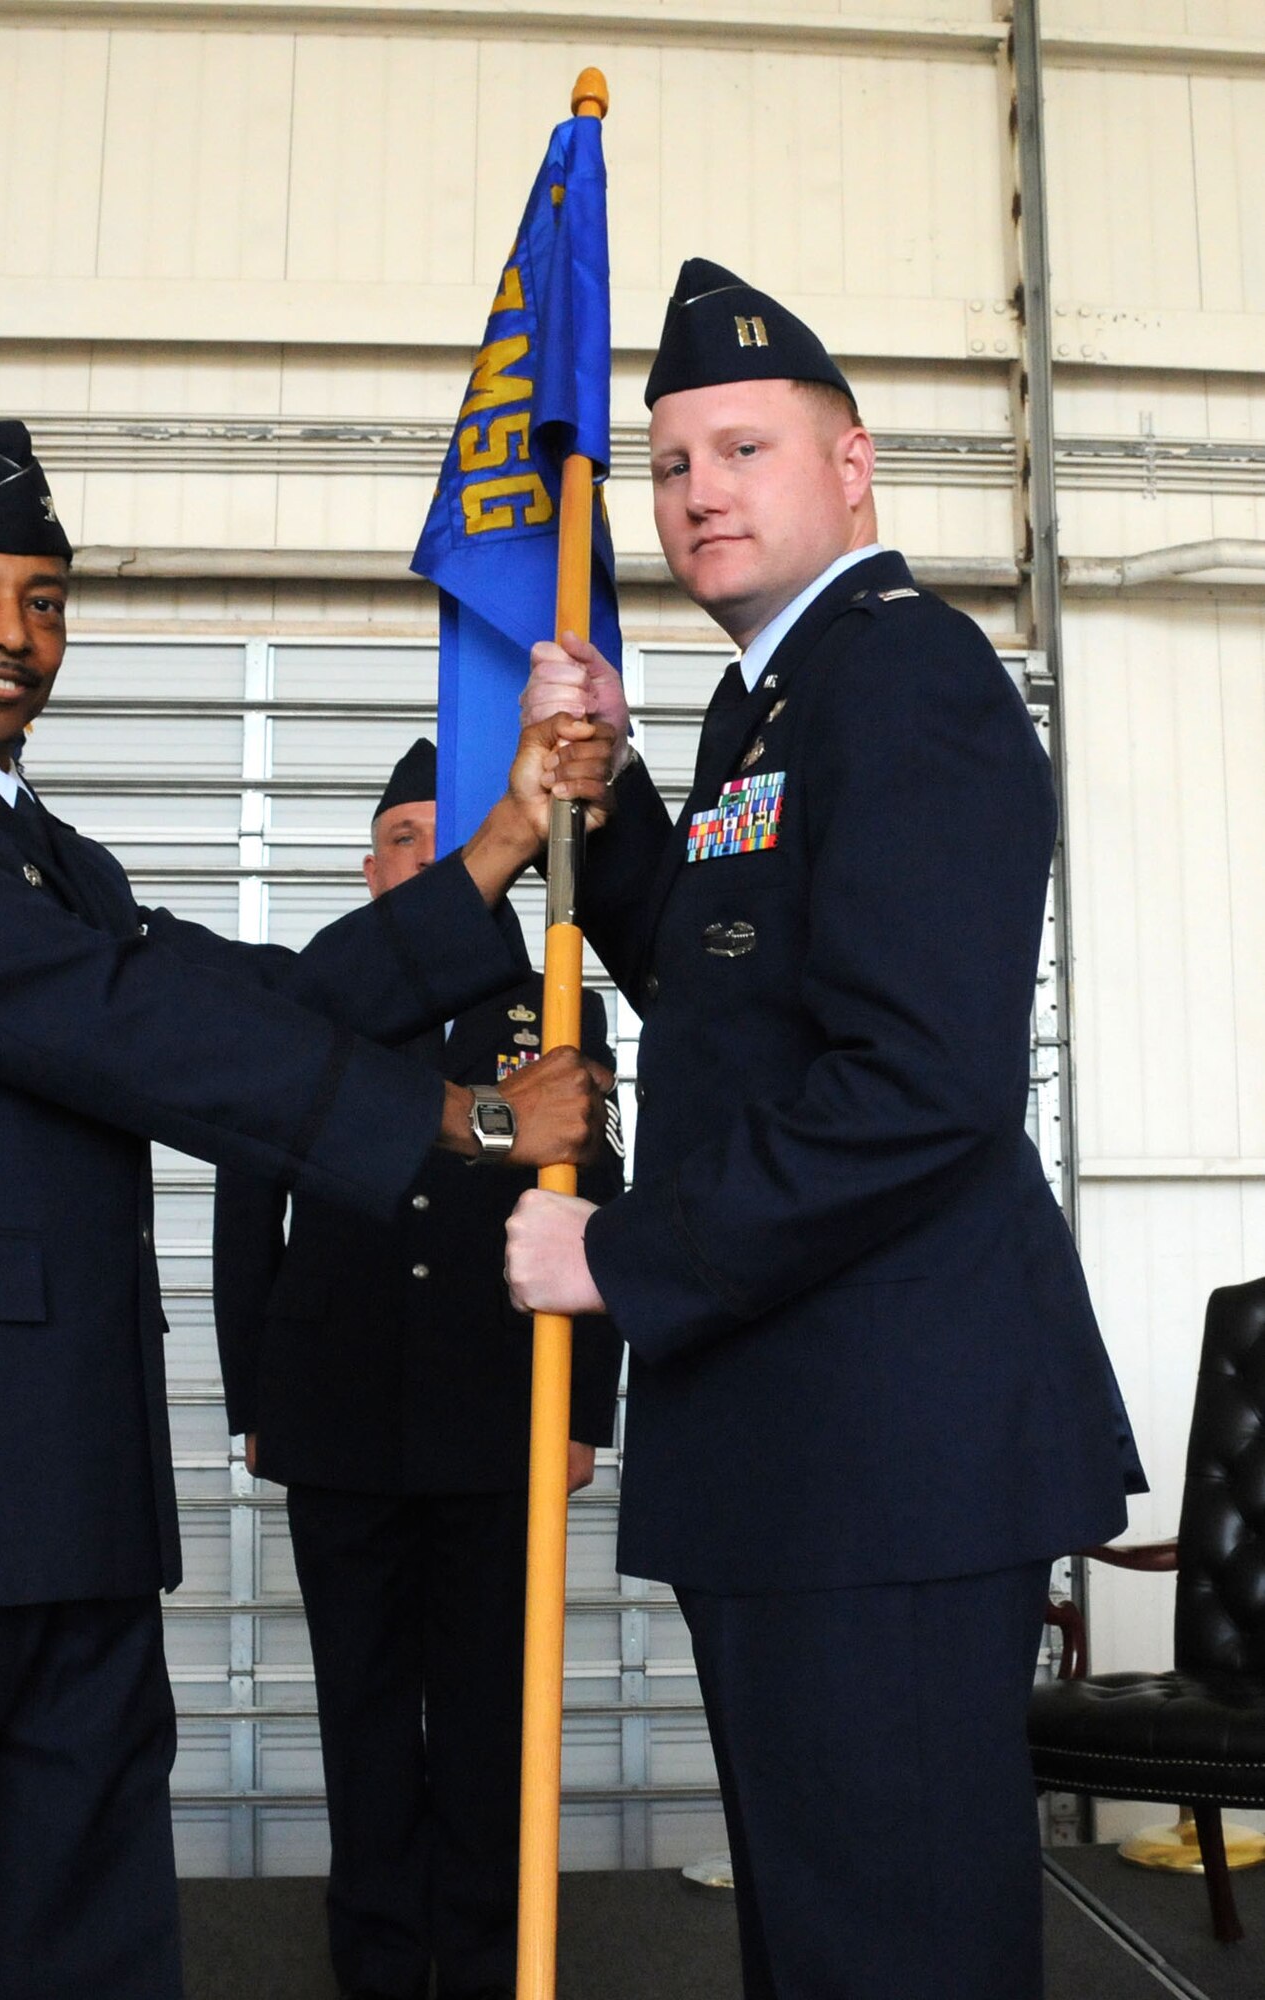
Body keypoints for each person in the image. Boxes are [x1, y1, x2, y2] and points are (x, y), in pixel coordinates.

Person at [0, 420, 616, 2000]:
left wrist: (501, 848)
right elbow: (107, 1020)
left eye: (43, 601)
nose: (10, 632)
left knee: (88, 1945)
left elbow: (257, 997)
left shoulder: (63, 865)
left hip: (69, 1491)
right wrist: (462, 1115)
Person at [504, 263, 1146, 2000]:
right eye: (669, 464)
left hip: (885, 1447)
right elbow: (726, 997)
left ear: (850, 467)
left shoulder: (904, 677)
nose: (698, 490)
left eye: (742, 448)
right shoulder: (770, 706)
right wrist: (618, 788)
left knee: (890, 1937)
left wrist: (616, 1255)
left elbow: (919, 1087)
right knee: (822, 1926)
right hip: (805, 1444)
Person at [212, 738, 626, 2000]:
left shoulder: (552, 998)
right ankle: (381, 1967)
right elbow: (245, 1210)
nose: (424, 854)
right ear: (368, 859)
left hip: (500, 1410)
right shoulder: (310, 993)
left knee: (495, 1719)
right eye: (402, 834)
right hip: (335, 1412)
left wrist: (587, 1408)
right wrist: (253, 1402)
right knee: (368, 1716)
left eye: (446, 835)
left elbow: (603, 1203)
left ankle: (495, 1962)